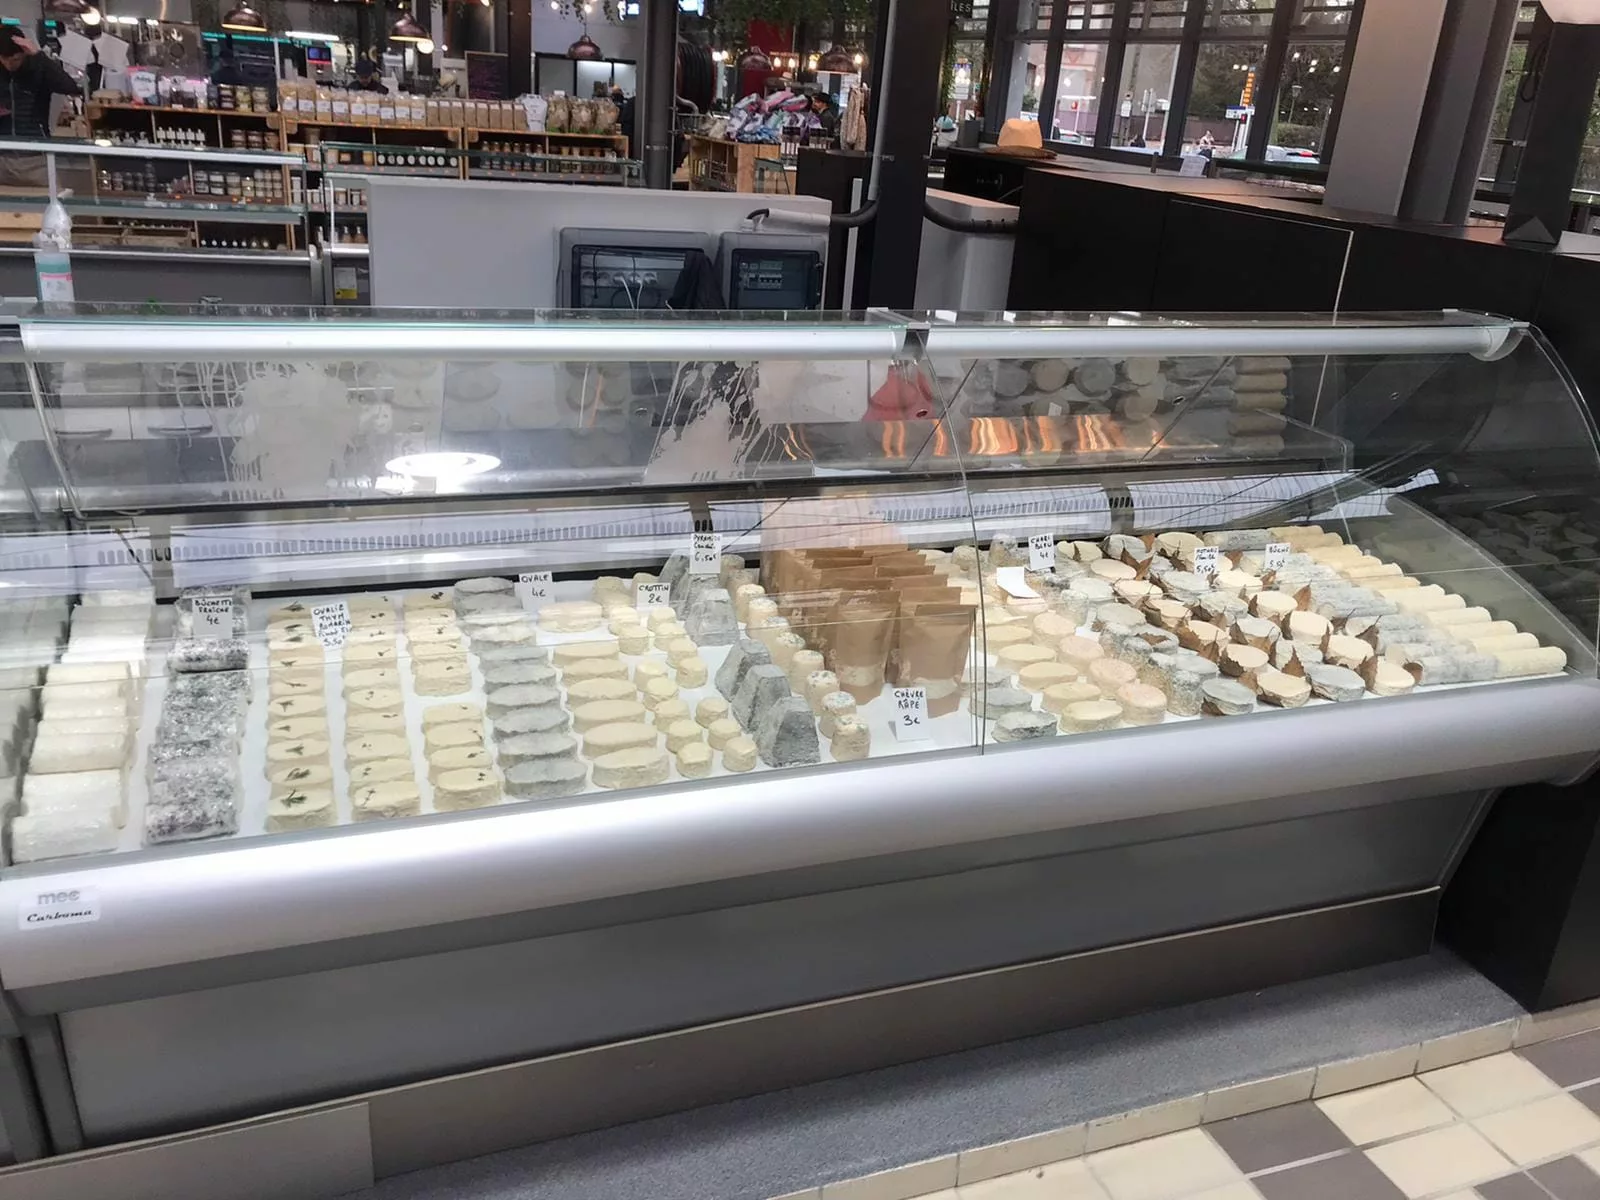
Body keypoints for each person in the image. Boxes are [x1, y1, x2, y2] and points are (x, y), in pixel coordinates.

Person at [0, 26, 85, 190]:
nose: (10, 64)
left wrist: (39, 56)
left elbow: (70, 87)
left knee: (55, 201)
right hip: (2, 156)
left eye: (15, 59)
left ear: (24, 53)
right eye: (4, 59)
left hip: (36, 156)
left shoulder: (38, 68)